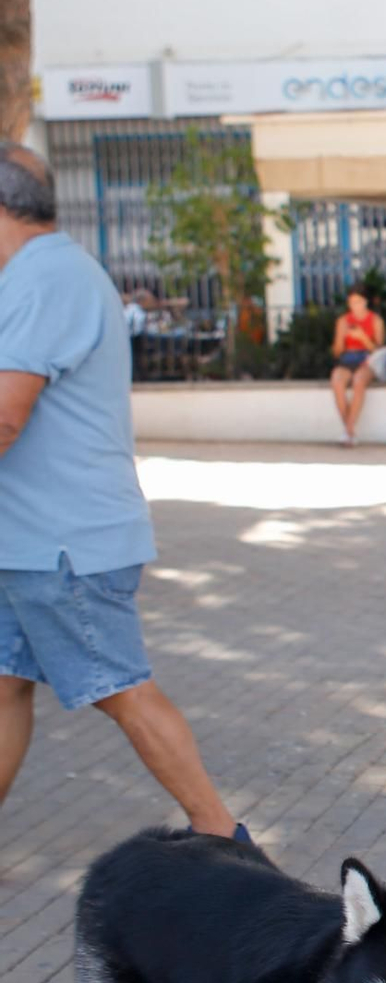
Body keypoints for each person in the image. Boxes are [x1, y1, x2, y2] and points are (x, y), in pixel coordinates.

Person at [0, 147, 246, 840]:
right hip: (30, 541)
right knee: (6, 684)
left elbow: (5, 415)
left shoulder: (43, 278)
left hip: (62, 545)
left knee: (121, 691)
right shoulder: (43, 273)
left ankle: (224, 837)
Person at [329, 286, 384, 447]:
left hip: (367, 359)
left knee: (358, 381)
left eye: (358, 302)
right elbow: (337, 351)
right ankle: (349, 430)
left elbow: (379, 351)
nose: (355, 306)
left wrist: (363, 338)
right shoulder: (343, 321)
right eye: (352, 302)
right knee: (337, 381)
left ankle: (348, 431)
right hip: (347, 358)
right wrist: (342, 337)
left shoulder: (375, 320)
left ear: (365, 302)